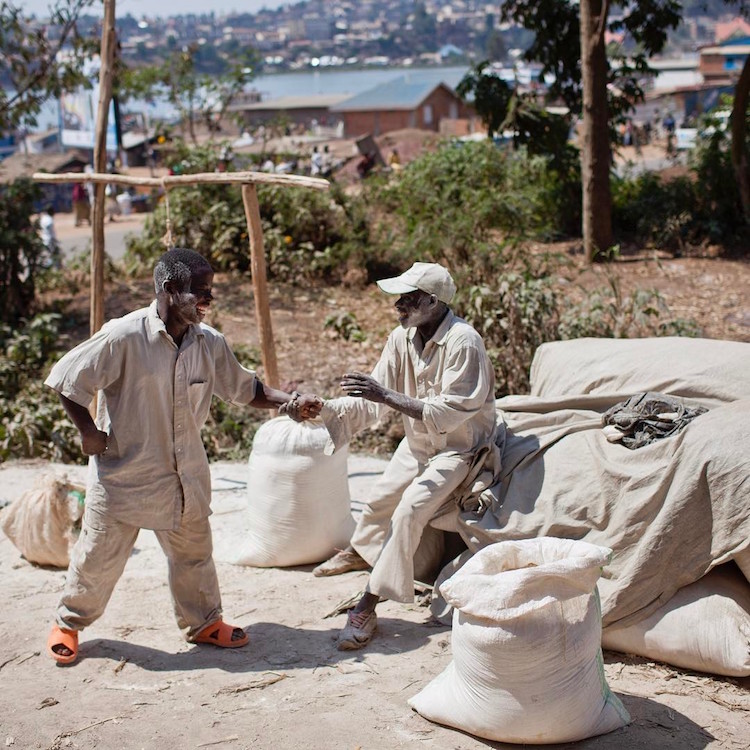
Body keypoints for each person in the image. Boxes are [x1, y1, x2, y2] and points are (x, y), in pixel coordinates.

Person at [44, 248, 322, 665]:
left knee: (194, 555)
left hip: (184, 477)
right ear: (170, 290)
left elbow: (247, 389)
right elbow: (67, 379)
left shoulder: (209, 344)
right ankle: (69, 622)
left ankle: (205, 623)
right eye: (201, 292)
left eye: (210, 292)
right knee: (97, 559)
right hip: (123, 476)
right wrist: (88, 432)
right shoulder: (124, 336)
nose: (209, 300)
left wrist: (291, 402)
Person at [313, 262, 498, 650]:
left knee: (409, 511)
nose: (398, 305)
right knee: (379, 501)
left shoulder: (464, 342)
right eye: (399, 297)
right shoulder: (402, 338)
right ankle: (362, 553)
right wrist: (326, 409)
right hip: (418, 445)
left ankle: (367, 604)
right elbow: (373, 403)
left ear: (433, 301)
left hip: (457, 450)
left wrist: (384, 395)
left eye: (408, 298)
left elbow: (450, 412)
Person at [39, 204, 61, 269]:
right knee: (54, 255)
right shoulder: (49, 219)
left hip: (44, 239)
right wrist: (54, 240)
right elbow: (49, 228)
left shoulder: (43, 218)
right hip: (50, 240)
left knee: (51, 255)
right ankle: (53, 268)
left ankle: (54, 267)